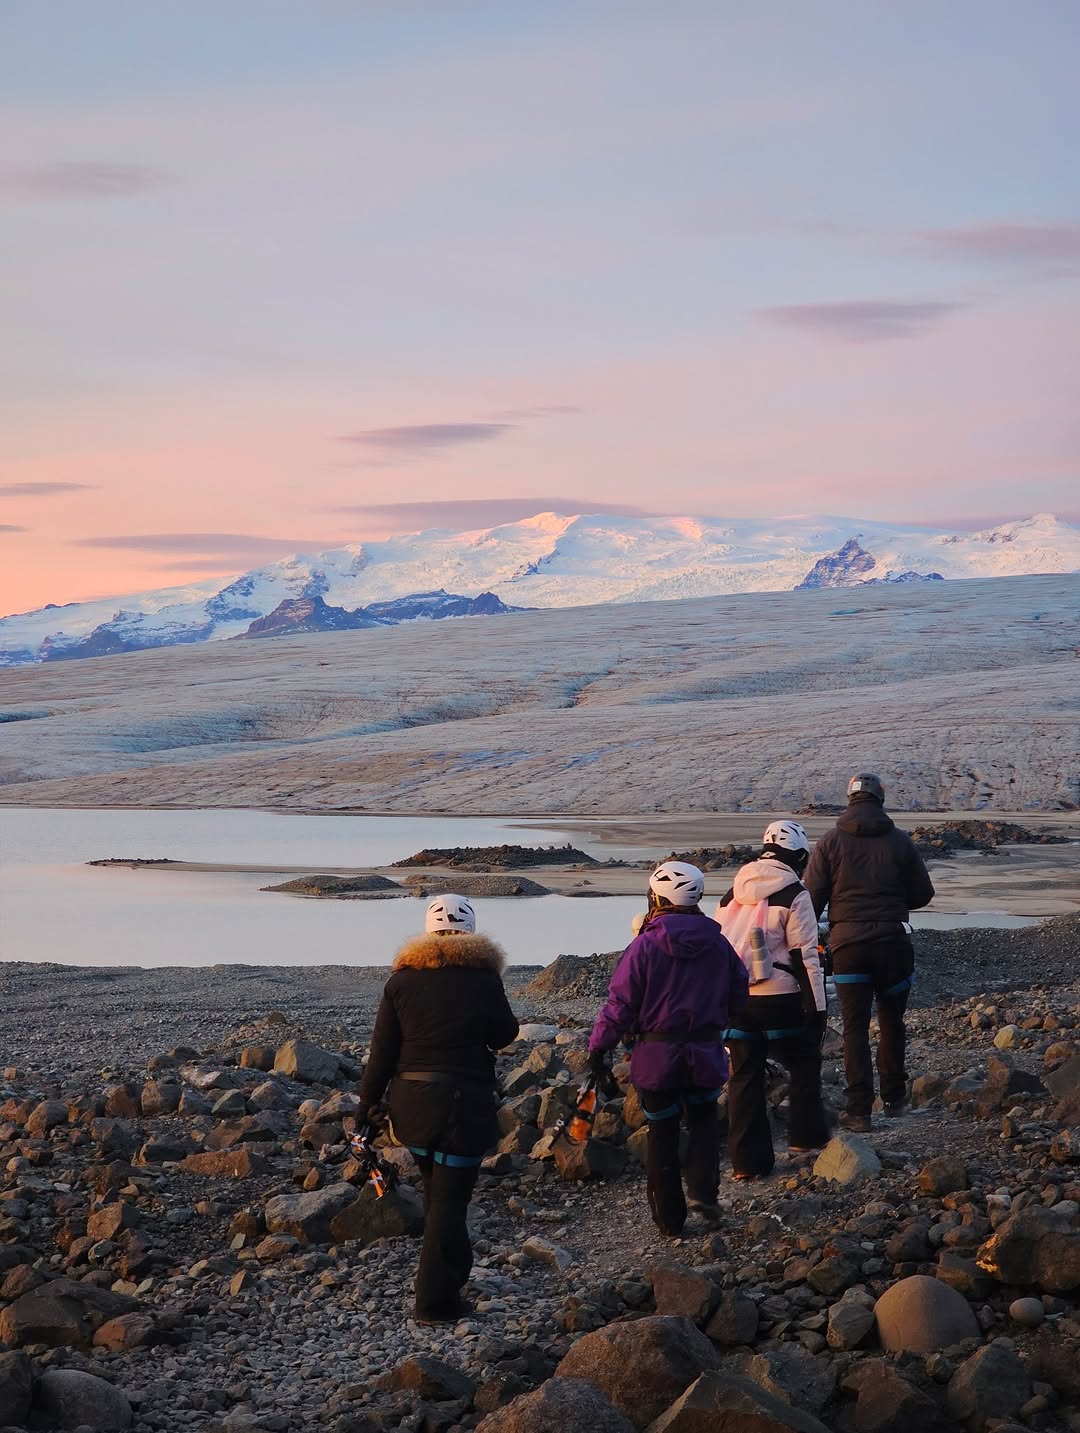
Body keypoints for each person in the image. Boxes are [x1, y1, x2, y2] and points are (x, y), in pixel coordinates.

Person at [356, 894, 519, 1323]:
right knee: (449, 1202)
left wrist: (364, 1112)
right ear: (471, 930)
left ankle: (454, 1273)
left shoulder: (401, 981)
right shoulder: (484, 979)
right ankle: (434, 1303)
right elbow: (504, 1034)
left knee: (438, 1195)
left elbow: (381, 1055)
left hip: (411, 1106)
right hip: (463, 1104)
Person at [588, 860, 749, 1236]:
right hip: (706, 1052)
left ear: (655, 897)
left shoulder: (643, 946)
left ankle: (670, 1221)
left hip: (655, 1057)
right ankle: (704, 1196)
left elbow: (620, 1005)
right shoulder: (720, 945)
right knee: (704, 1124)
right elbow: (739, 995)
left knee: (662, 1133)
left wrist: (599, 1048)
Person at [805, 774, 935, 1132]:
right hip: (893, 944)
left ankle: (859, 1110)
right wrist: (892, 903)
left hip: (847, 946)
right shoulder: (900, 842)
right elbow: (924, 894)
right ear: (881, 799)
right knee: (892, 1020)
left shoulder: (829, 842)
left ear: (849, 800)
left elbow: (810, 901)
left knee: (854, 1027)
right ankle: (895, 1099)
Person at [714, 820, 829, 1179]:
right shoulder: (795, 892)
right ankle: (805, 1139)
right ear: (798, 856)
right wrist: (818, 1009)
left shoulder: (731, 893)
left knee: (744, 1077)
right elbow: (805, 954)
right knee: (804, 1060)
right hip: (779, 997)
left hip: (737, 999)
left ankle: (748, 1164)